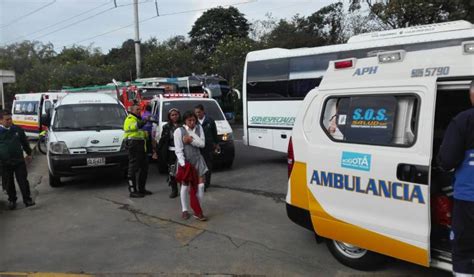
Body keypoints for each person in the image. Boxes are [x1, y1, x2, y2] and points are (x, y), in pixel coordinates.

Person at [437, 81, 474, 276]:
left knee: (464, 250)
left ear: (471, 96)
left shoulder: (463, 120)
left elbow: (447, 160)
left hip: (469, 198)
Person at [174, 111, 208, 221]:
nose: (192, 122)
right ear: (185, 120)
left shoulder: (199, 128)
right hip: (186, 162)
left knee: (201, 186)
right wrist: (183, 164)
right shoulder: (179, 131)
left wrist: (191, 140)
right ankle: (184, 210)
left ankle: (197, 210)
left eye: (194, 120)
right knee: (184, 186)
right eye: (189, 120)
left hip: (198, 160)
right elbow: (178, 150)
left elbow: (202, 144)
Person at [0, 110, 35, 210]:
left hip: (18, 160)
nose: (10, 121)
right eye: (7, 119)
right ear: (0, 121)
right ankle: (12, 200)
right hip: (5, 162)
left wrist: (29, 153)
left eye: (10, 118)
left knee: (23, 181)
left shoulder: (17, 130)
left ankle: (27, 200)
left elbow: (24, 142)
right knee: (9, 182)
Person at [123, 105, 152, 198]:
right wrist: (144, 121)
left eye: (140, 109)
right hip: (133, 145)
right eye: (137, 109)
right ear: (131, 110)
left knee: (144, 168)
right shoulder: (130, 118)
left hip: (140, 146)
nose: (139, 111)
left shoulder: (137, 119)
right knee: (133, 168)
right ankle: (133, 191)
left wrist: (145, 133)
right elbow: (133, 128)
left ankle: (141, 189)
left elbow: (138, 132)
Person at [157, 108, 181, 198]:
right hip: (171, 152)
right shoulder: (166, 127)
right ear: (169, 117)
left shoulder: (183, 125)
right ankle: (174, 190)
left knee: (183, 170)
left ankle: (184, 188)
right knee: (172, 171)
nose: (175, 116)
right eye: (172, 115)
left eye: (176, 114)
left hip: (182, 151)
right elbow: (163, 140)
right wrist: (158, 151)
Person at [194, 104, 219, 190]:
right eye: (196, 112)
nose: (197, 114)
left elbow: (214, 133)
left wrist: (216, 144)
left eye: (199, 112)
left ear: (203, 111)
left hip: (208, 147)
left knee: (208, 165)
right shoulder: (194, 122)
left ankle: (206, 183)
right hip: (198, 147)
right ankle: (200, 182)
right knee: (198, 166)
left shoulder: (210, 120)